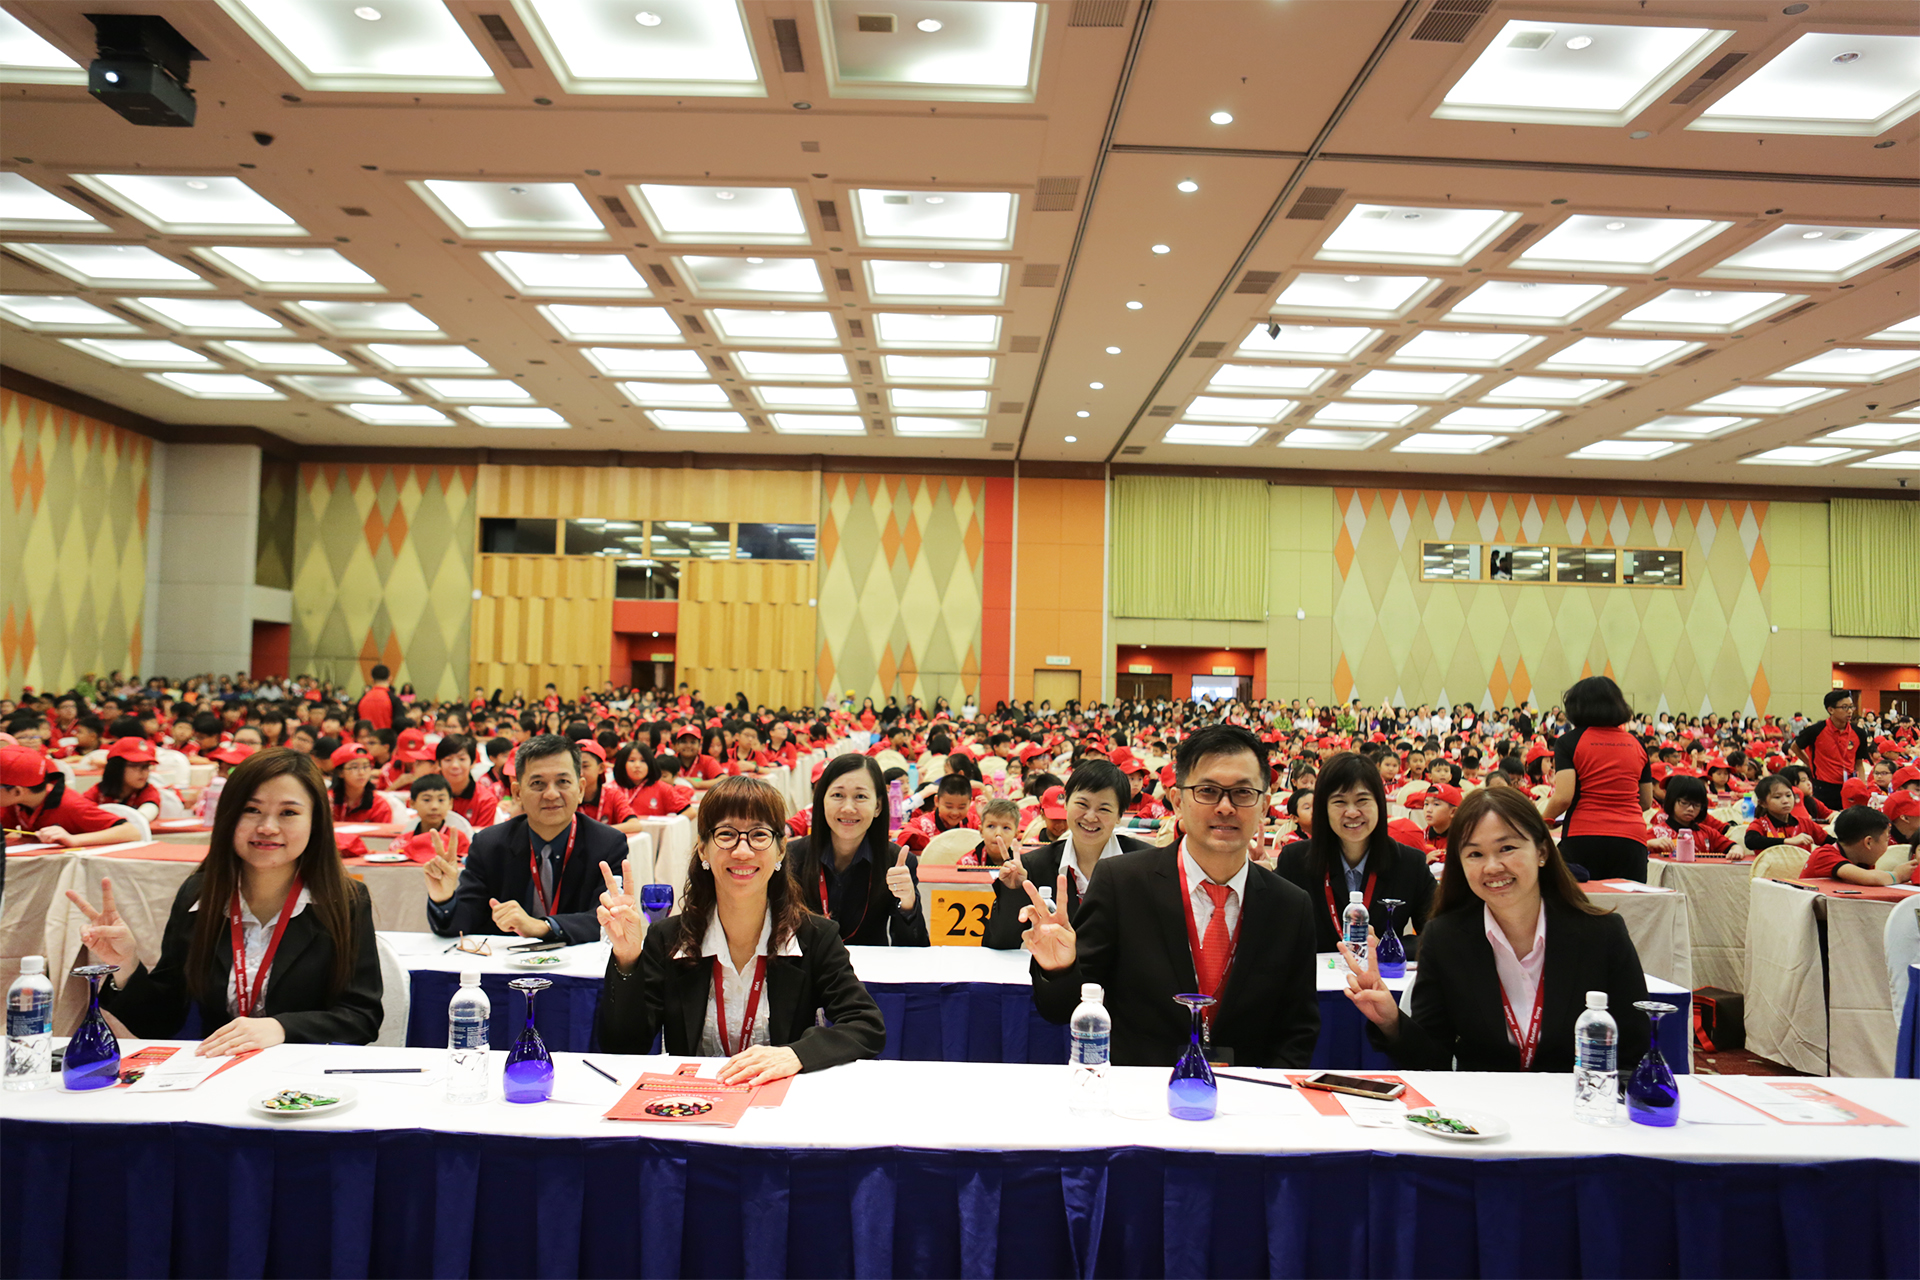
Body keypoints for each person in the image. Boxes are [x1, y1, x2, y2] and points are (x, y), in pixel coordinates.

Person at [1019, 724, 1320, 1067]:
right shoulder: (1122, 883)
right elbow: (1064, 1010)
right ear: (1177, 800)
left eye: (1242, 792)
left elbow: (1298, 1031)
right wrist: (1059, 969)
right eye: (1207, 791)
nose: (1225, 806)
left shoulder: (1290, 906)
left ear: (1264, 804)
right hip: (1141, 1091)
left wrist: (1259, 1092)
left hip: (1246, 1092)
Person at [64, 748, 382, 1054]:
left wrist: (282, 1028)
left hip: (304, 1073)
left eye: (289, 813)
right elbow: (161, 1022)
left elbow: (361, 1017)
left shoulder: (345, 901)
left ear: (316, 822)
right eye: (251, 810)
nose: (267, 827)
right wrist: (127, 965)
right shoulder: (200, 896)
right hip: (219, 1070)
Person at [1341, 786, 1652, 1076]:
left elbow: (1633, 1056)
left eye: (1507, 848)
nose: (1491, 867)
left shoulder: (1601, 935)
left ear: (1542, 851)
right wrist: (1392, 1022)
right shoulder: (1446, 938)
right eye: (1475, 854)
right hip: (1480, 1110)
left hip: (1577, 1107)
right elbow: (1433, 1060)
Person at [594, 776, 885, 1082]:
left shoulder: (814, 937)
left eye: (759, 835)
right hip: (693, 1099)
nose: (742, 851)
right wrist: (627, 959)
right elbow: (624, 1046)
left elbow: (866, 1025)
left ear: (781, 850)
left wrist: (796, 1054)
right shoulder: (668, 938)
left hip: (777, 1099)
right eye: (726, 834)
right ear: (703, 849)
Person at [423, 734, 627, 942]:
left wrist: (543, 926)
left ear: (580, 789)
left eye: (563, 782)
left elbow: (609, 918)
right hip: (506, 960)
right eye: (538, 783)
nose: (551, 794)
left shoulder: (608, 844)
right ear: (517, 792)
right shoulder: (489, 845)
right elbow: (464, 922)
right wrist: (444, 900)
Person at [981, 760, 1154, 949]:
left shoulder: (1147, 864)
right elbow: (1000, 943)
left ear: (1120, 815)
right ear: (1066, 803)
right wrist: (1014, 891)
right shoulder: (1033, 866)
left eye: (1104, 809)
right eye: (1082, 804)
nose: (1090, 817)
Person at [1274, 751, 1433, 955]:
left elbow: (1438, 936)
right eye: (1339, 802)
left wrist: (1388, 948)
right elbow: (1273, 931)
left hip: (1380, 975)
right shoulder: (1294, 860)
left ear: (1379, 804)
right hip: (1315, 974)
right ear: (1324, 809)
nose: (1352, 812)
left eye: (1362, 800)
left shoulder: (1410, 863)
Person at [782, 754, 929, 946]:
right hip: (808, 963)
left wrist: (908, 903)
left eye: (860, 797)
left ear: (877, 806)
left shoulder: (896, 862)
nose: (848, 808)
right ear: (821, 801)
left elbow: (913, 948)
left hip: (870, 964)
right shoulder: (792, 857)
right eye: (838, 795)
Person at [1542, 677, 1654, 881]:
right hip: (1631, 838)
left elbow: (1563, 797)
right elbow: (1646, 801)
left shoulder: (1569, 742)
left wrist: (1543, 822)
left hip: (1583, 835)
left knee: (1579, 899)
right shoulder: (1637, 744)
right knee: (1630, 900)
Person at [0, 747, 140, 848]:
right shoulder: (15, 802)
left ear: (17, 791)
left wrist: (73, 839)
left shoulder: (71, 805)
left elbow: (131, 832)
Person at [1797, 690, 1871, 814]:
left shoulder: (1859, 732)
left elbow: (1859, 763)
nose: (1850, 711)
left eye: (1851, 707)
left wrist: (1862, 785)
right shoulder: (1816, 730)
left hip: (1849, 786)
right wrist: (1810, 763)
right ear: (1831, 710)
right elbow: (1795, 747)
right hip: (1823, 787)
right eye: (1844, 707)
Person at [1802, 806, 1914, 886]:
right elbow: (1872, 878)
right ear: (1868, 842)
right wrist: (1898, 875)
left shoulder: (1863, 859)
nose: (1887, 844)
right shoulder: (1824, 855)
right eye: (1886, 840)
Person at [1646, 775, 1734, 856]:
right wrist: (1649, 844)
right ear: (1672, 801)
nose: (1691, 809)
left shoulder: (1708, 833)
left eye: (1696, 805)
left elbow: (1732, 846)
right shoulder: (1655, 833)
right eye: (1684, 803)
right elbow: (1638, 850)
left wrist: (1735, 850)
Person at [84, 737, 166, 821]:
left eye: (147, 766)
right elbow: (81, 811)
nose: (144, 772)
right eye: (136, 765)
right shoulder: (98, 791)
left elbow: (145, 814)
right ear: (117, 767)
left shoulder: (148, 791)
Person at [1743, 773, 1827, 854]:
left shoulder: (1806, 823)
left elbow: (1830, 842)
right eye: (1777, 797)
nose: (1785, 801)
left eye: (1788, 795)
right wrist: (1787, 841)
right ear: (1762, 803)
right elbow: (1750, 841)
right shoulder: (1760, 824)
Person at [397, 773, 471, 862]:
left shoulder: (459, 839)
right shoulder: (403, 841)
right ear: (412, 803)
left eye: (441, 800)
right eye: (426, 800)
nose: (434, 806)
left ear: (450, 803)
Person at [433, 734, 498, 828]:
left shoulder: (485, 800)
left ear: (473, 762)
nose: (455, 765)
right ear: (438, 763)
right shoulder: (426, 795)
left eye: (462, 759)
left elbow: (483, 835)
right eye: (448, 760)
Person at [355, 664, 397, 732]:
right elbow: (398, 722)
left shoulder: (362, 699)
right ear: (390, 678)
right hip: (386, 736)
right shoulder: (394, 699)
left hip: (366, 737)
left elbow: (356, 721)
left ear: (371, 679)